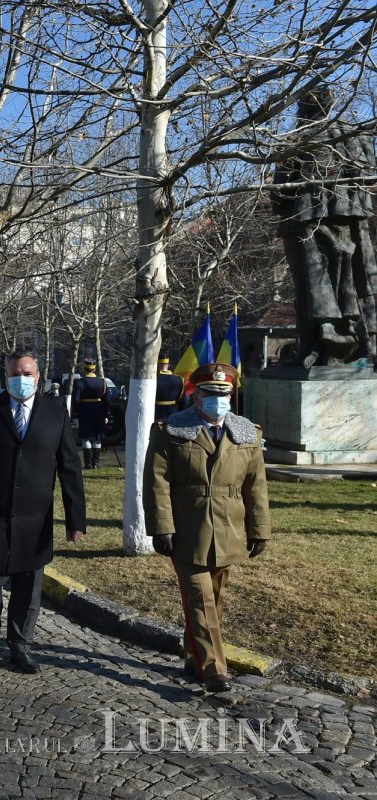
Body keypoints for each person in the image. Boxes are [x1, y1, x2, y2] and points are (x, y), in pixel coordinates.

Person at [0, 350, 86, 674]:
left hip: (34, 519)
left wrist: (76, 520)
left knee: (28, 586)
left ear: (38, 377)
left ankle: (19, 645)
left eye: (27, 373)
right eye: (15, 374)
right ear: (6, 377)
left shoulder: (56, 414)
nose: (21, 379)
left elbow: (70, 468)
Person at [144, 362, 271, 694]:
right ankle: (214, 669)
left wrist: (259, 529)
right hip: (187, 529)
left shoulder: (247, 433)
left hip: (228, 530)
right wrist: (161, 527)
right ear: (196, 396)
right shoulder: (171, 430)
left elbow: (256, 486)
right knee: (201, 597)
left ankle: (194, 655)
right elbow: (156, 482)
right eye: (210, 394)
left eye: (224, 394)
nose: (218, 400)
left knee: (214, 598)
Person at [272, 85, 377, 367]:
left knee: (310, 285)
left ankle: (316, 345)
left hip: (306, 220)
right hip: (352, 220)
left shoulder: (297, 138)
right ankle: (345, 342)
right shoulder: (358, 136)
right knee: (352, 280)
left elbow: (279, 191)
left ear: (305, 108)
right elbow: (368, 179)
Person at [70, 359, 110, 469]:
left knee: (86, 437)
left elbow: (76, 400)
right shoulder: (103, 382)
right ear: (95, 369)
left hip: (85, 412)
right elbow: (107, 400)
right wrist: (106, 414)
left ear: (85, 369)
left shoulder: (79, 382)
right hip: (99, 412)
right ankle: (95, 464)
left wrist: (75, 413)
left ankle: (88, 464)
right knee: (97, 437)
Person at [154, 356, 186, 422]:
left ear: (157, 364)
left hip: (156, 414)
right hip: (174, 413)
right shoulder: (179, 379)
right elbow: (182, 402)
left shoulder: (154, 379)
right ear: (169, 365)